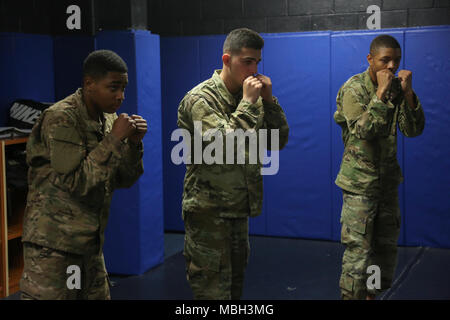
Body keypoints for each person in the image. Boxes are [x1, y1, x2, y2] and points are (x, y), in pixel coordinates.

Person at [20, 50, 147, 300]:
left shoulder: (108, 119)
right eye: (113, 88)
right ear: (89, 84)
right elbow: (76, 182)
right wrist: (114, 139)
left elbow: (124, 179)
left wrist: (133, 144)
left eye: (123, 88)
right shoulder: (62, 118)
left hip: (88, 246)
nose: (120, 96)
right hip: (53, 248)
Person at [177, 28, 289, 300]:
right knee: (212, 292)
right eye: (247, 62)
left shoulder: (249, 97)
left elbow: (278, 141)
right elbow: (223, 144)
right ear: (227, 59)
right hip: (207, 214)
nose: (253, 70)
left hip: (237, 210)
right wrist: (250, 103)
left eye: (257, 63)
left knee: (234, 291)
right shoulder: (200, 99)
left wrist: (269, 102)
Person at [334, 35, 425, 300]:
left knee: (383, 251)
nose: (392, 66)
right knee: (358, 253)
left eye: (396, 60)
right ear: (370, 59)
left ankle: (371, 295)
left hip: (387, 184)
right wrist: (381, 94)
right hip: (359, 185)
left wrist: (408, 95)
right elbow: (363, 131)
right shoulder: (353, 89)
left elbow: (413, 129)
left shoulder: (398, 87)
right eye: (385, 60)